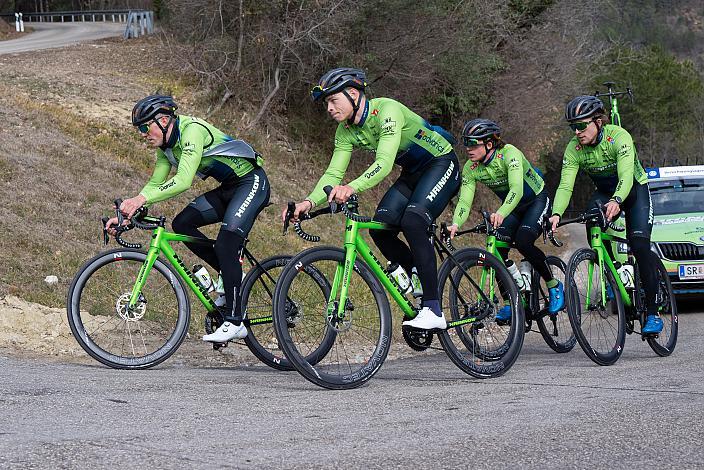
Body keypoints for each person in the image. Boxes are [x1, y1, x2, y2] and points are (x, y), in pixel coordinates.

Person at [282, 67, 461, 330]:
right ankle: (417, 274)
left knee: (413, 220)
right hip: (413, 172)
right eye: (326, 104)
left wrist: (351, 188)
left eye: (333, 100)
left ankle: (434, 309)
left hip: (441, 163)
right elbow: (333, 173)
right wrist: (307, 202)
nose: (329, 108)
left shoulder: (387, 110)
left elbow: (385, 162)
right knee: (382, 226)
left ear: (353, 94)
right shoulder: (345, 131)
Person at [106, 94, 270, 342]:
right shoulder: (166, 149)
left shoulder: (191, 130)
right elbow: (154, 184)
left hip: (251, 182)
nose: (141, 133)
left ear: (162, 120)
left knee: (226, 243)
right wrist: (129, 212)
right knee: (182, 223)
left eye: (144, 126)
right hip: (229, 188)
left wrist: (140, 201)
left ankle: (236, 321)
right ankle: (231, 273)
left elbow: (183, 181)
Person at [548, 95, 662, 334]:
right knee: (593, 227)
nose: (577, 131)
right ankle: (614, 277)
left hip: (633, 190)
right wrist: (556, 213)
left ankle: (652, 312)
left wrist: (618, 200)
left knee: (639, 245)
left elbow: (626, 175)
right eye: (573, 126)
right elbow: (565, 185)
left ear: (598, 121)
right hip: (605, 193)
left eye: (581, 125)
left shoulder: (618, 137)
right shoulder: (574, 148)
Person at [447, 119, 564, 321]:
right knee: (498, 248)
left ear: (489, 144)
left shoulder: (509, 154)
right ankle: (512, 301)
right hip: (514, 208)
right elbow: (465, 201)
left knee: (524, 240)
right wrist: (456, 223)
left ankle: (554, 285)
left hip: (535, 200)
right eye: (466, 143)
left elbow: (517, 189)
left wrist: (501, 212)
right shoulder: (471, 168)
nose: (469, 149)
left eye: (474, 144)